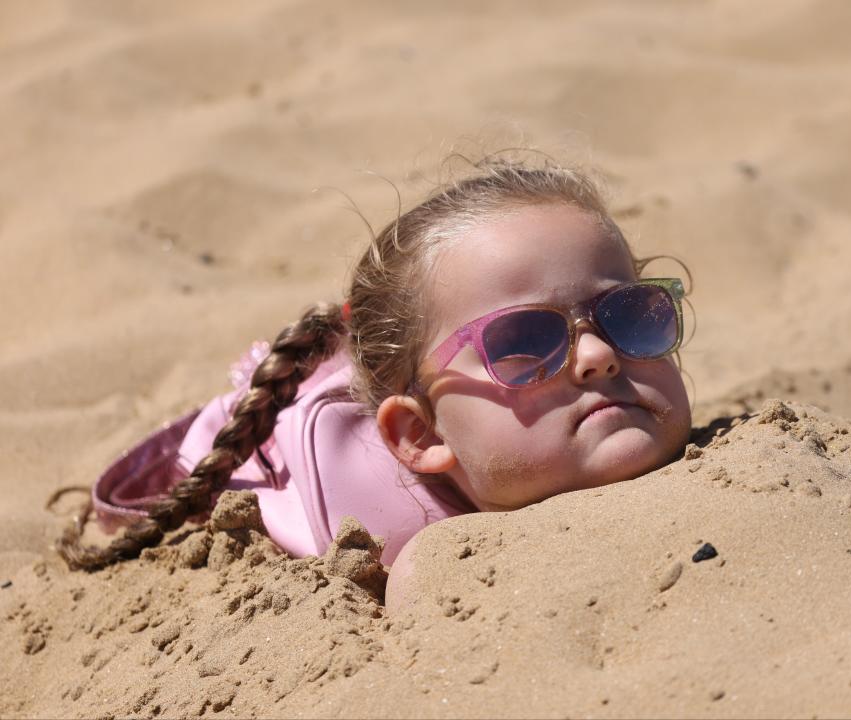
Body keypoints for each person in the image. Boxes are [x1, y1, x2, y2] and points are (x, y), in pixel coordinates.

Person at [57, 157, 693, 593]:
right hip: (264, 444)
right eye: (524, 341)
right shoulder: (411, 545)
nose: (596, 356)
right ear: (421, 438)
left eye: (630, 314)